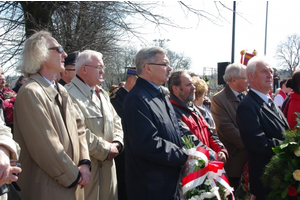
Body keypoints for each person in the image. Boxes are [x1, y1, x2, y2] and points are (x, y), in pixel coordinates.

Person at [14, 31, 91, 200]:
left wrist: (85, 163)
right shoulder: (30, 92)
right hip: (49, 187)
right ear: (40, 53)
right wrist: (74, 176)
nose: (64, 54)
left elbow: (79, 127)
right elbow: (46, 147)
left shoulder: (61, 90)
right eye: (59, 49)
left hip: (72, 182)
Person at [122, 47, 190, 200]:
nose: (170, 68)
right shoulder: (137, 99)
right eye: (165, 64)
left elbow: (175, 129)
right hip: (150, 188)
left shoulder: (160, 94)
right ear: (148, 68)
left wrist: (196, 149)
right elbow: (147, 143)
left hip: (167, 183)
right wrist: (183, 156)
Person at [65, 50, 123, 200]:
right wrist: (105, 149)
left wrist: (117, 143)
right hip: (88, 170)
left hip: (109, 167)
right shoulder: (68, 94)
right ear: (84, 69)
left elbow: (116, 121)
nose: (103, 71)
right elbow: (77, 131)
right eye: (99, 67)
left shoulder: (102, 94)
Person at [236, 56, 290, 199]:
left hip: (282, 178)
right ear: (251, 77)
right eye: (264, 71)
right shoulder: (247, 106)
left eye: (271, 71)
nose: (270, 75)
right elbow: (258, 144)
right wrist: (290, 145)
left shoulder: (268, 101)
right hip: (267, 182)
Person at [168, 71, 228, 163]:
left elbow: (209, 133)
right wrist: (213, 156)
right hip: (194, 170)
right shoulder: (172, 111)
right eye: (188, 85)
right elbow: (190, 141)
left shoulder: (193, 108)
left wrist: (221, 150)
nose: (193, 87)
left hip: (207, 164)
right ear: (175, 89)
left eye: (192, 84)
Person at [210, 63, 248, 192]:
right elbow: (226, 129)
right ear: (234, 80)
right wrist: (252, 143)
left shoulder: (248, 96)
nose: (248, 80)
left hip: (250, 160)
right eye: (245, 77)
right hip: (235, 162)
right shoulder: (219, 99)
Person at [110, 67, 137, 200]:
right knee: (123, 187)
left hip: (134, 152)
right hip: (123, 152)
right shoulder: (116, 99)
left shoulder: (134, 97)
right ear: (131, 80)